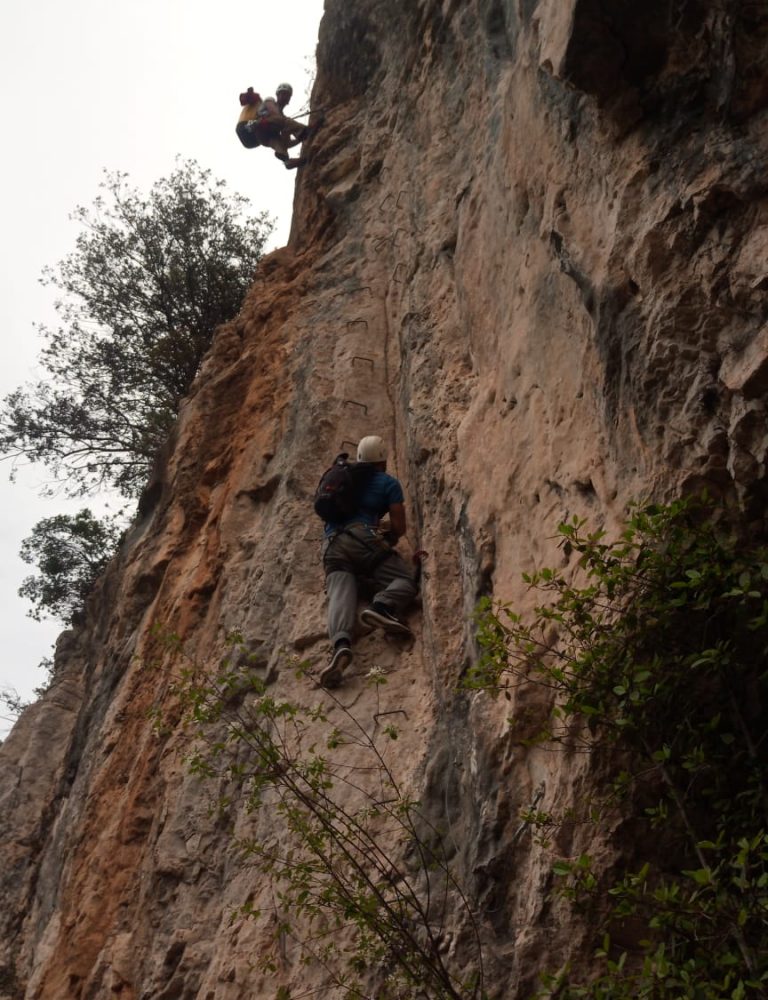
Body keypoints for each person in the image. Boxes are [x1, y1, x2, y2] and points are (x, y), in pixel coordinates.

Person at [319, 436, 418, 689]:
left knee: (340, 594)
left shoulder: (344, 479)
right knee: (405, 579)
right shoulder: (387, 483)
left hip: (332, 545)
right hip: (363, 538)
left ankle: (341, 645)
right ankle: (381, 607)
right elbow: (399, 527)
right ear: (383, 460)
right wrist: (386, 536)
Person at [235, 82, 309, 169]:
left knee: (278, 140)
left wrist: (299, 139)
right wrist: (250, 94)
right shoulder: (267, 101)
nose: (284, 97)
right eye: (282, 94)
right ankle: (304, 130)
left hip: (255, 139)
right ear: (277, 95)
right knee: (282, 121)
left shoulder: (279, 118)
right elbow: (275, 113)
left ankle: (287, 161)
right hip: (247, 127)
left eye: (287, 95)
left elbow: (287, 143)